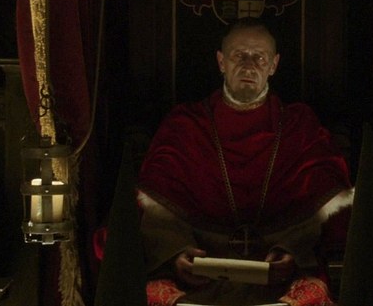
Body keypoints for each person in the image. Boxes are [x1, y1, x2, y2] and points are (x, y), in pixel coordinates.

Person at [136, 17, 354, 306]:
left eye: (259, 57)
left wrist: (292, 250)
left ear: (273, 65)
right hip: (199, 272)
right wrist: (175, 253)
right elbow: (155, 203)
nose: (249, 66)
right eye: (239, 55)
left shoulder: (299, 125)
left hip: (278, 275)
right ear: (221, 61)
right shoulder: (186, 124)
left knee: (311, 295)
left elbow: (323, 201)